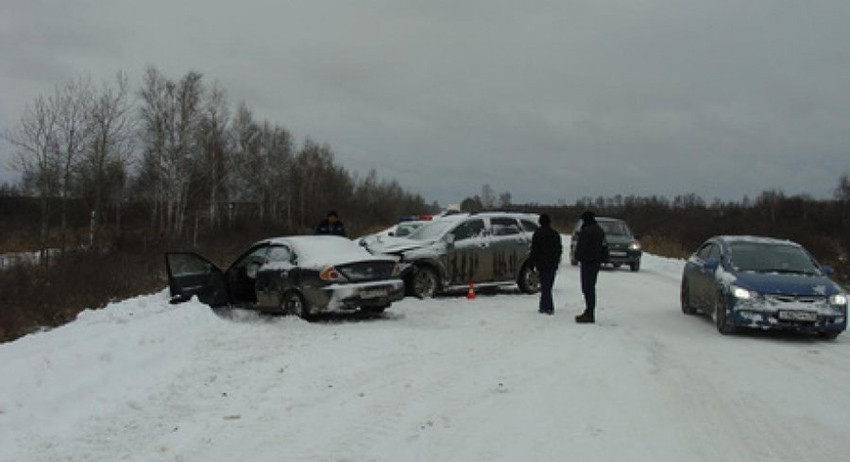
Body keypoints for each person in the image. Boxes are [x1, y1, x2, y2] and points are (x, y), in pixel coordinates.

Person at [573, 210, 606, 323]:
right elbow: (604, 246)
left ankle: (589, 314)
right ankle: (589, 312)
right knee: (590, 287)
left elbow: (582, 246)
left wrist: (577, 256)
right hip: (595, 262)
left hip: (588, 262)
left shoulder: (587, 231)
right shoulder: (599, 230)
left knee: (587, 288)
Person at [529, 213, 562, 315]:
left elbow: (534, 249)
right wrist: (556, 261)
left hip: (542, 264)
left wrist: (532, 262)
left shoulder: (538, 234)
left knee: (545, 286)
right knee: (548, 286)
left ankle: (547, 307)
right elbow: (559, 250)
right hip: (552, 264)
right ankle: (545, 306)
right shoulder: (555, 234)